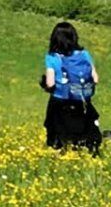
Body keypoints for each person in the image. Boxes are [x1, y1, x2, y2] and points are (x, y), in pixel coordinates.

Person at [41, 21, 101, 153]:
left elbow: (50, 83)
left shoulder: (52, 57)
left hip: (60, 101)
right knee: (82, 133)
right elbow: (95, 79)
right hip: (82, 100)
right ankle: (85, 152)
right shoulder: (84, 54)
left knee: (57, 134)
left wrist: (45, 85)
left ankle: (60, 155)